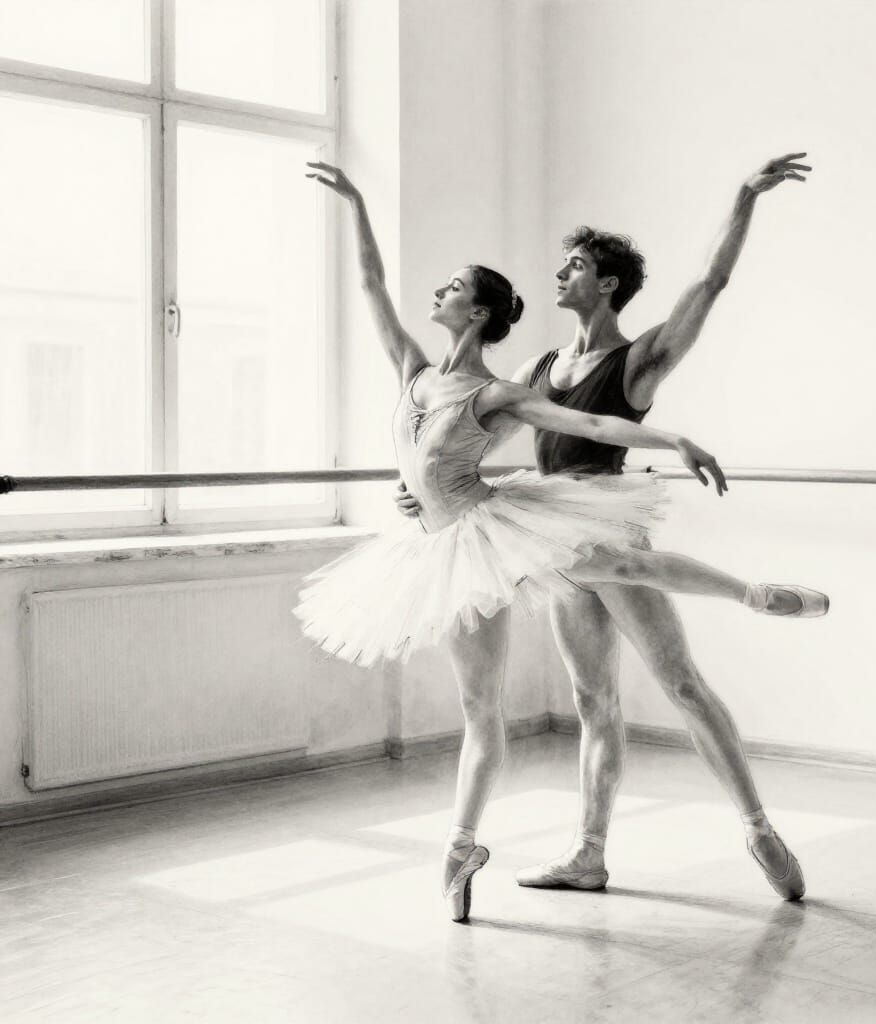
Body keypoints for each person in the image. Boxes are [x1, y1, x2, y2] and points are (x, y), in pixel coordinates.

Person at [299, 160, 826, 921]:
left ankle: (757, 826)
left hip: (602, 522)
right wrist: (425, 482)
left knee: (679, 682)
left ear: (606, 283)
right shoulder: (540, 365)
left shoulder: (638, 359)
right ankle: (589, 853)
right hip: (544, 535)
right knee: (591, 697)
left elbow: (702, 293)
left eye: (576, 265)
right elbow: (480, 422)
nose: (561, 272)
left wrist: (743, 198)